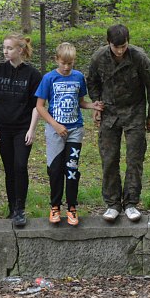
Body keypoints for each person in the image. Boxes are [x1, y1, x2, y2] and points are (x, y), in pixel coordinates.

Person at [87, 24, 150, 222]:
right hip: (109, 113)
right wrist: (96, 104)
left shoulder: (139, 57)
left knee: (134, 159)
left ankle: (131, 203)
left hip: (134, 112)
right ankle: (112, 204)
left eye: (123, 46)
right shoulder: (99, 57)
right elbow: (92, 82)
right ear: (108, 43)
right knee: (109, 159)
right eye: (116, 47)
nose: (120, 51)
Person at [36, 43, 103, 226]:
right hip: (55, 131)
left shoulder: (78, 77)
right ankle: (55, 206)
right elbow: (40, 106)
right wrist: (56, 125)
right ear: (56, 59)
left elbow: (81, 102)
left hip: (75, 130)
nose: (66, 67)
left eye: (70, 63)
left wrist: (92, 105)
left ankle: (72, 207)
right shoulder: (49, 78)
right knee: (55, 170)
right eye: (63, 63)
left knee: (72, 170)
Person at [0, 33, 42, 228]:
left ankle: (20, 209)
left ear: (20, 49)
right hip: (2, 128)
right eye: (4, 47)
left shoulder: (33, 74)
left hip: (22, 128)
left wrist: (32, 129)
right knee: (9, 169)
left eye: (9, 48)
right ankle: (12, 208)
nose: (5, 51)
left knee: (20, 165)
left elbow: (37, 105)